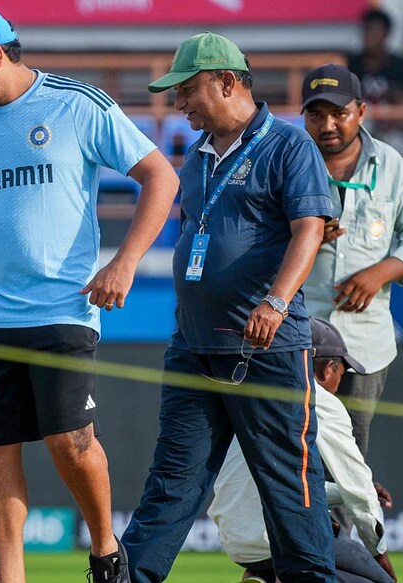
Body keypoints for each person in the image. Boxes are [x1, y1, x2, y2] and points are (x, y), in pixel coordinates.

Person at [0, 2, 179, 582]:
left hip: (63, 309)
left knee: (69, 441)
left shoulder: (75, 104)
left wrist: (125, 262)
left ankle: (105, 553)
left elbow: (161, 175)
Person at [120, 32, 337, 583]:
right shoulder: (195, 157)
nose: (179, 103)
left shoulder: (289, 145)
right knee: (171, 482)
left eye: (187, 90)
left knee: (288, 487)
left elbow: (310, 229)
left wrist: (276, 301)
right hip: (194, 345)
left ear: (226, 82)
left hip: (266, 348)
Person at [208, 317, 396, 583]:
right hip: (284, 538)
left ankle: (265, 577)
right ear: (328, 369)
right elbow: (359, 490)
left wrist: (341, 495)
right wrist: (381, 556)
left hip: (238, 542)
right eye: (342, 372)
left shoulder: (251, 398)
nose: (339, 383)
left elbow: (283, 484)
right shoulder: (319, 400)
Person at [301, 63, 403, 458]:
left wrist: (382, 272)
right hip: (299, 340)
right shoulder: (290, 164)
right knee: (298, 455)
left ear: (360, 112)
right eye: (316, 114)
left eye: (338, 113)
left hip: (365, 344)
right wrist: (304, 238)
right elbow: (258, 243)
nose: (327, 125)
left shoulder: (392, 165)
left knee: (350, 457)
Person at [347, 9, 403, 106]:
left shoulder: (399, 66)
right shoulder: (351, 65)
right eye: (366, 30)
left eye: (374, 31)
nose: (368, 36)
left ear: (385, 34)